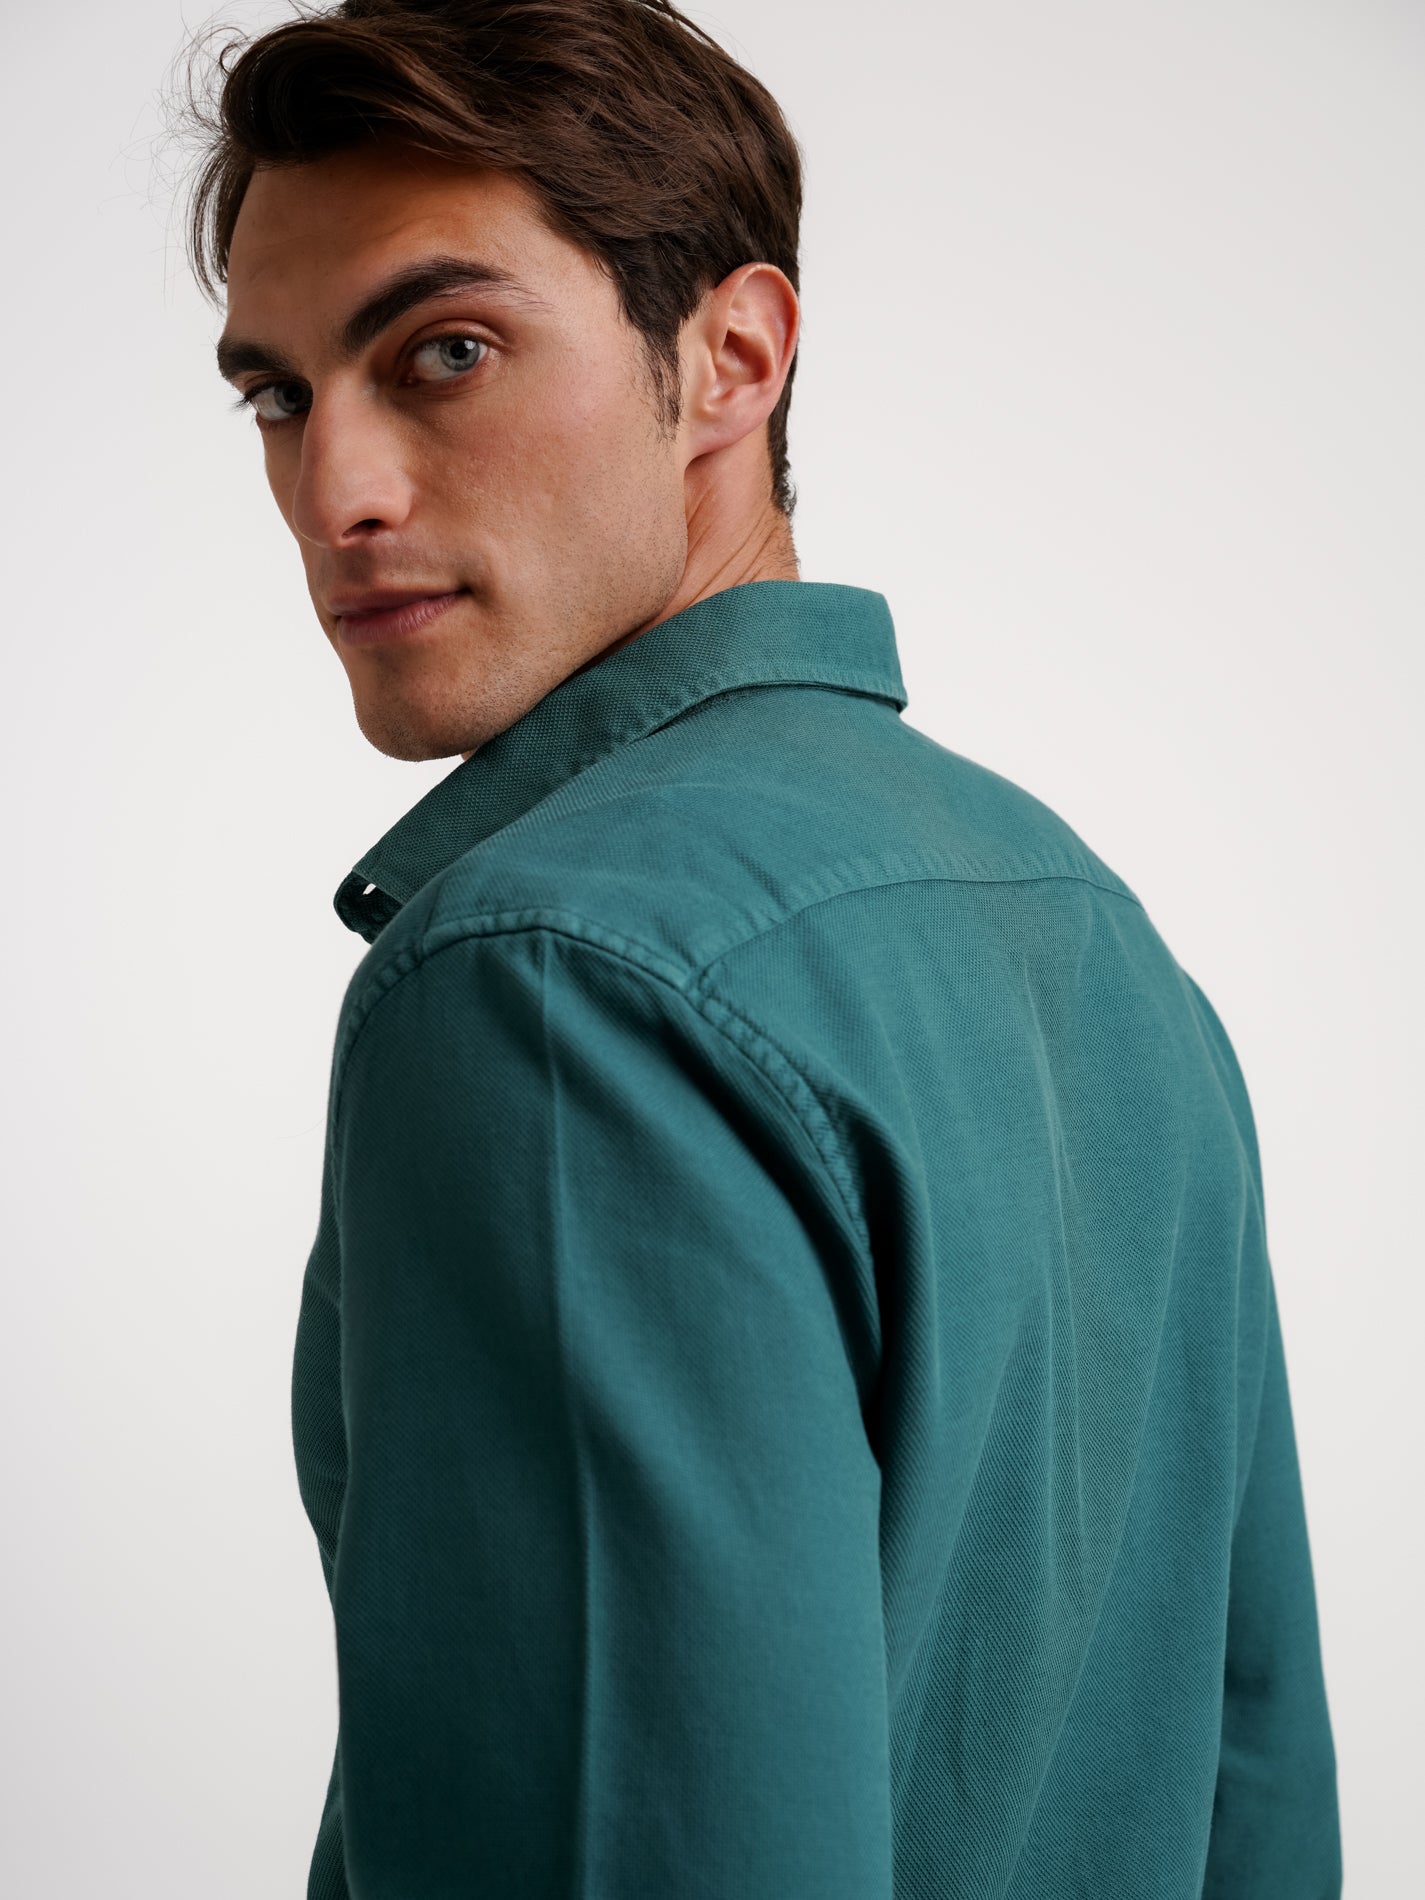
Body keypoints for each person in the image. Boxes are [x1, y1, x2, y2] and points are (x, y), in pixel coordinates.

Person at [183, 1, 1342, 1893]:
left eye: (445, 353)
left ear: (732, 356)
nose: (338, 494)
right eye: (280, 396)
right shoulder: (1090, 931)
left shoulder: (550, 979)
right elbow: (1254, 1800)